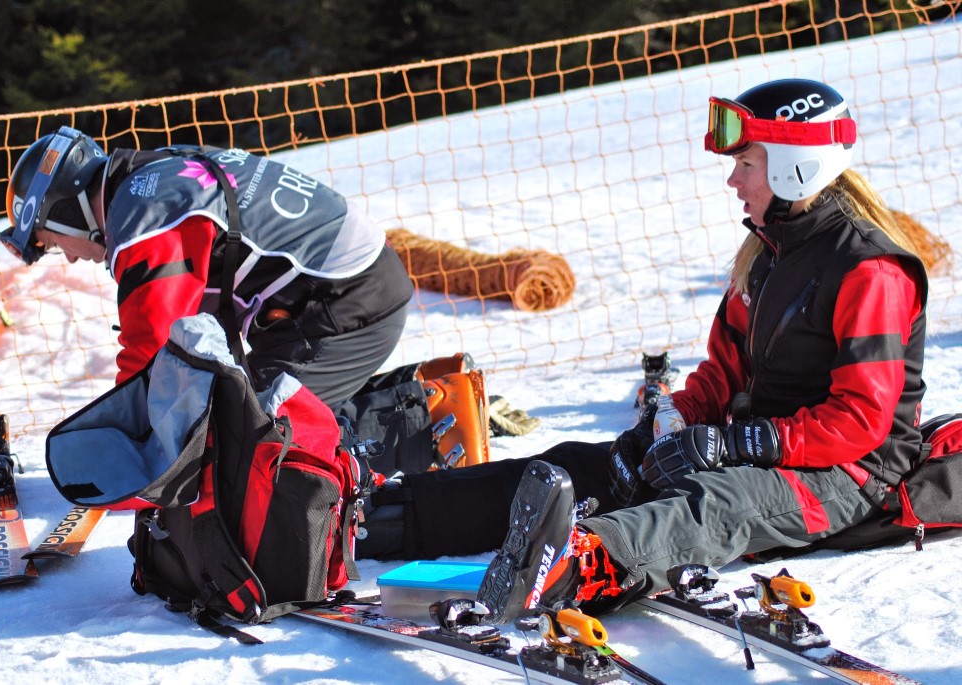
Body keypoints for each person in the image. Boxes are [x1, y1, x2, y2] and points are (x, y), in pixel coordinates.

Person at [357, 78, 930, 623]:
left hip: (847, 476)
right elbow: (725, 372)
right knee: (585, 467)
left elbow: (861, 420)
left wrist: (734, 443)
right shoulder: (767, 254)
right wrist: (670, 422)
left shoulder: (870, 271)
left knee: (714, 502)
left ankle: (578, 566)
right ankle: (384, 518)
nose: (734, 181)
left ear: (795, 168)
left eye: (746, 164)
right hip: (771, 449)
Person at [0, 128, 414, 405]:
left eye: (53, 242)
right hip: (346, 287)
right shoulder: (156, 171)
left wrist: (119, 443)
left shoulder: (144, 218)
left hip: (346, 298)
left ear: (67, 212)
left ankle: (427, 421)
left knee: (262, 439)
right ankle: (424, 392)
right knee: (243, 413)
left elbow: (149, 349)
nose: (70, 256)